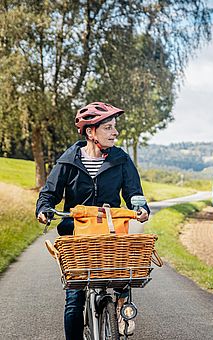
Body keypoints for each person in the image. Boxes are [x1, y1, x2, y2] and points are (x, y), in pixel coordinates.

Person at [36, 102, 149, 340]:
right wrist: (44, 209)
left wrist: (141, 208)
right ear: (90, 132)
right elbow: (50, 193)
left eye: (114, 127)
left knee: (122, 273)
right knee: (74, 302)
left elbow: (133, 193)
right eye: (108, 127)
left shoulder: (121, 160)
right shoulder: (68, 161)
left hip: (109, 232)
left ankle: (120, 305)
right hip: (76, 236)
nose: (115, 132)